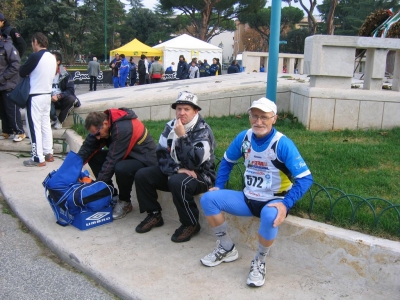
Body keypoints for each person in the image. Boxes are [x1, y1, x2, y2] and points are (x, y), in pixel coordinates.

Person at [199, 97, 313, 287]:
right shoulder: (244, 137)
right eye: (254, 116)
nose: (258, 122)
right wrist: (219, 185)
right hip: (248, 198)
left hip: (273, 200)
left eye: (264, 117)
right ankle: (227, 247)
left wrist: (286, 204)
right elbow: (227, 160)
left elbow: (306, 178)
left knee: (269, 216)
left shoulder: (282, 143)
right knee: (209, 199)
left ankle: (259, 261)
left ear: (274, 119)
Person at [134, 91, 216, 243]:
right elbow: (160, 154)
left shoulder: (203, 131)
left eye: (186, 109)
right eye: (179, 109)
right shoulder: (170, 126)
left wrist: (183, 136)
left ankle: (191, 223)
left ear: (196, 111)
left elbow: (194, 163)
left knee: (178, 182)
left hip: (201, 176)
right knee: (143, 175)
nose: (181, 113)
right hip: (177, 171)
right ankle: (154, 214)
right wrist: (176, 169)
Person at [77, 108, 157, 220]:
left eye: (98, 134)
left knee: (121, 168)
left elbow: (112, 160)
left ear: (105, 124)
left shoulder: (123, 129)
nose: (98, 137)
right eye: (95, 135)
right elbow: (87, 148)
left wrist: (97, 188)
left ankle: (125, 202)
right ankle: (111, 194)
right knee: (94, 157)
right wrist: (71, 169)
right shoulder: (103, 126)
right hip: (126, 154)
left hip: (144, 158)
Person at [19, 32, 57, 167]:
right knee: (45, 124)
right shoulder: (52, 57)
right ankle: (48, 152)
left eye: (32, 43)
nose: (32, 45)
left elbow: (22, 71)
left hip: (35, 95)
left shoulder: (35, 56)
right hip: (46, 94)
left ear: (36, 42)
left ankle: (37, 157)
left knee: (34, 127)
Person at [0, 34, 26, 142]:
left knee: (11, 109)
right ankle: (7, 131)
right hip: (0, 85)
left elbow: (15, 65)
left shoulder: (8, 46)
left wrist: (4, 77)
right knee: (2, 110)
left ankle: (20, 131)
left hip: (8, 83)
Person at [50, 52, 80, 130]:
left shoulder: (65, 74)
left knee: (71, 99)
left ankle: (59, 121)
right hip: (50, 99)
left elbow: (70, 90)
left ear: (58, 62)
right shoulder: (46, 73)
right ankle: (53, 119)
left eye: (51, 59)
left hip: (61, 98)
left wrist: (59, 96)